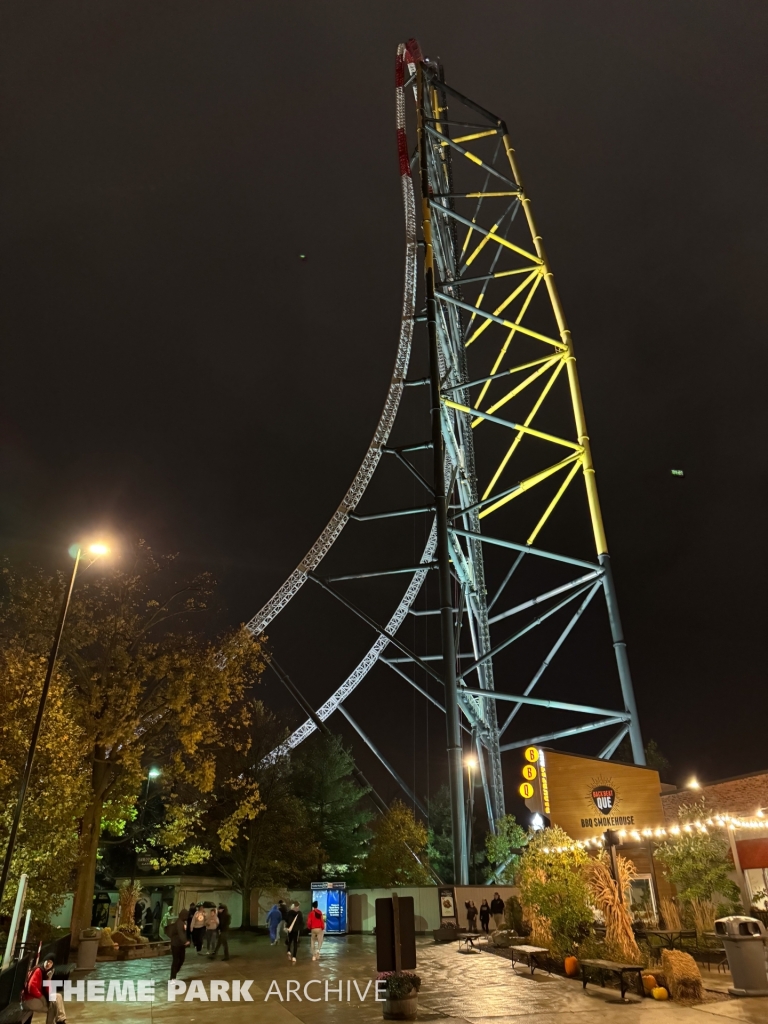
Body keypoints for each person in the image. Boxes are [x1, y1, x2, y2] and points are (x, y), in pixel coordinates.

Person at [43, 957, 67, 1023]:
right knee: (57, 996)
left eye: (51, 962)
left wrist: (49, 979)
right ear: (44, 961)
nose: (48, 964)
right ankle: (61, 1019)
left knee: (53, 1002)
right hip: (36, 996)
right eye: (47, 961)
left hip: (43, 995)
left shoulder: (47, 972)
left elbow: (48, 989)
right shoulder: (40, 971)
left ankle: (51, 1022)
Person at [170, 908, 190, 980]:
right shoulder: (179, 923)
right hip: (176, 945)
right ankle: (173, 977)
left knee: (181, 959)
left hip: (180, 945)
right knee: (176, 961)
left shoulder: (182, 922)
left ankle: (174, 973)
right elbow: (181, 933)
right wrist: (185, 941)